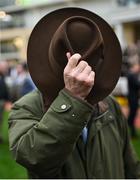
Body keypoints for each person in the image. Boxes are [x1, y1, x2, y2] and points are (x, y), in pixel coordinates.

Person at [8, 7, 140, 179]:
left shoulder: (110, 106)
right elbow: (35, 159)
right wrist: (72, 99)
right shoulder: (27, 107)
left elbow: (131, 168)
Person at [127, 59, 140, 138]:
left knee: (133, 114)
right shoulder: (131, 75)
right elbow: (137, 84)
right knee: (132, 114)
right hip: (132, 98)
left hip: (133, 97)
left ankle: (132, 131)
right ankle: (131, 130)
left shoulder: (132, 75)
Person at [0, 61, 10, 143]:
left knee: (1, 119)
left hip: (2, 101)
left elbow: (5, 89)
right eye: (4, 67)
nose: (6, 69)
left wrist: (7, 99)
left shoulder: (3, 76)